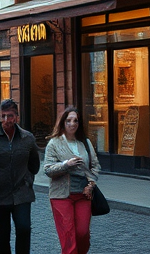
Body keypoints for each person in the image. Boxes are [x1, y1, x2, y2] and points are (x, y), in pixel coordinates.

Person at [0, 99, 39, 254]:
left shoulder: (27, 138)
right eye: (3, 116)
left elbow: (34, 165)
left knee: (24, 228)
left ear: (17, 117)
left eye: (10, 116)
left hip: (21, 193)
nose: (7, 120)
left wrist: (27, 180)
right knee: (2, 234)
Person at [43, 107, 100, 254]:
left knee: (82, 233)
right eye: (68, 120)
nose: (72, 124)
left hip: (83, 194)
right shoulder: (54, 143)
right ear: (63, 122)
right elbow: (48, 169)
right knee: (68, 235)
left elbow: (95, 166)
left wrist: (91, 184)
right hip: (61, 195)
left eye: (75, 120)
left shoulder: (85, 143)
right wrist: (65, 165)